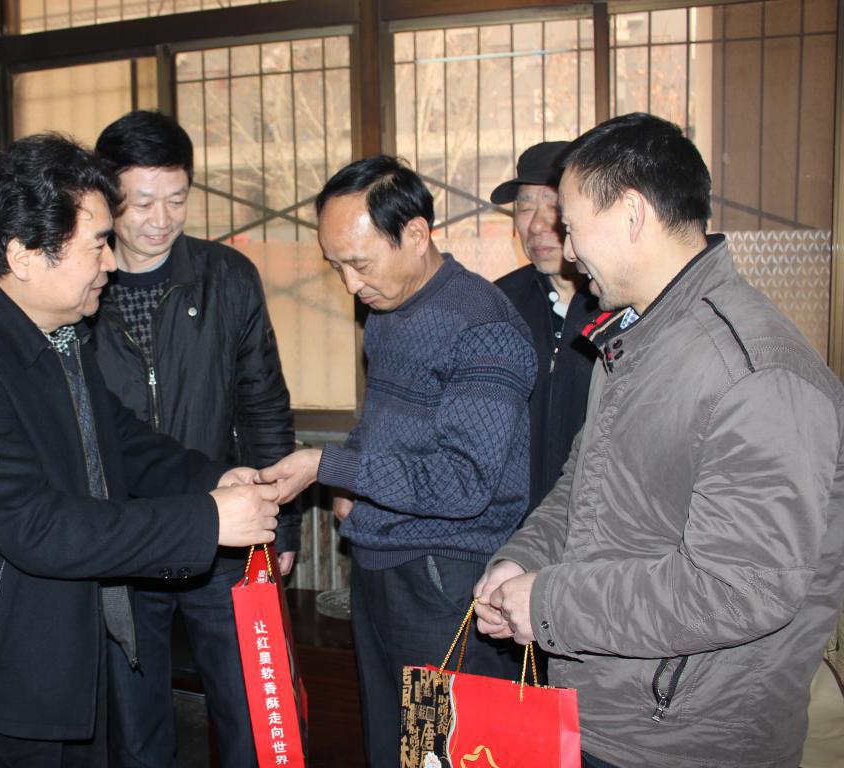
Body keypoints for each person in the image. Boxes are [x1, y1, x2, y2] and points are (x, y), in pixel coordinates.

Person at [0, 133, 281, 768]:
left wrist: (214, 477)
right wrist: (207, 519)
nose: (112, 263)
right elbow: (37, 527)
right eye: (97, 244)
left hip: (58, 655)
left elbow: (119, 439)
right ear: (24, 255)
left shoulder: (54, 333)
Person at [474, 113, 844, 768]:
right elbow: (582, 487)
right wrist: (523, 560)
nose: (566, 248)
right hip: (603, 708)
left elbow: (741, 587)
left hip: (688, 740)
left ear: (631, 215)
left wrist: (552, 602)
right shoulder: (636, 339)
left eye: (571, 224)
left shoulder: (755, 371)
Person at [259, 155, 536, 767]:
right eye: (336, 266)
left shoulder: (481, 325)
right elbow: (384, 425)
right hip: (381, 561)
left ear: (415, 234)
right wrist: (349, 472)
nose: (349, 285)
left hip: (443, 579)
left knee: (437, 753)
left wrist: (331, 467)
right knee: (389, 744)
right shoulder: (387, 311)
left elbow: (464, 482)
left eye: (359, 263)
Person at [91, 110, 299, 768]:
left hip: (225, 537)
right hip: (124, 542)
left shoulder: (226, 276)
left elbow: (262, 403)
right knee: (135, 729)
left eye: (176, 199)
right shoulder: (81, 286)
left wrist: (281, 522)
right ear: (106, 197)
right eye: (141, 202)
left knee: (251, 713)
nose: (161, 219)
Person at [491, 141, 598, 512]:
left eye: (552, 205)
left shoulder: (618, 305)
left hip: (595, 523)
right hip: (515, 525)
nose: (536, 225)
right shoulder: (498, 304)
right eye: (524, 207)